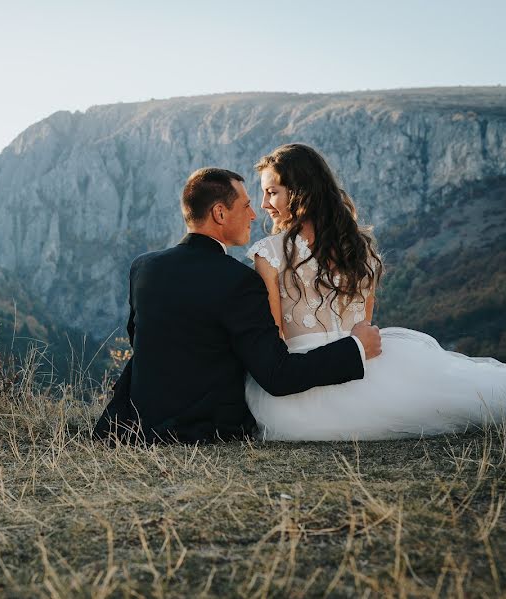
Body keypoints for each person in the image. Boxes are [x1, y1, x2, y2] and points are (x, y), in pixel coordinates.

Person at [246, 143, 506, 440]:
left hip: (303, 388)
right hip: (368, 368)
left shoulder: (269, 254)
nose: (264, 204)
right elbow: (364, 328)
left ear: (301, 192)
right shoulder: (359, 250)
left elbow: (274, 336)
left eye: (272, 192)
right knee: (463, 398)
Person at [92, 167, 382, 444]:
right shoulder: (239, 281)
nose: (255, 215)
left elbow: (142, 341)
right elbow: (277, 376)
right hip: (205, 428)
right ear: (220, 213)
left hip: (135, 423)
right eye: (246, 206)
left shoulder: (143, 267)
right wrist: (354, 348)